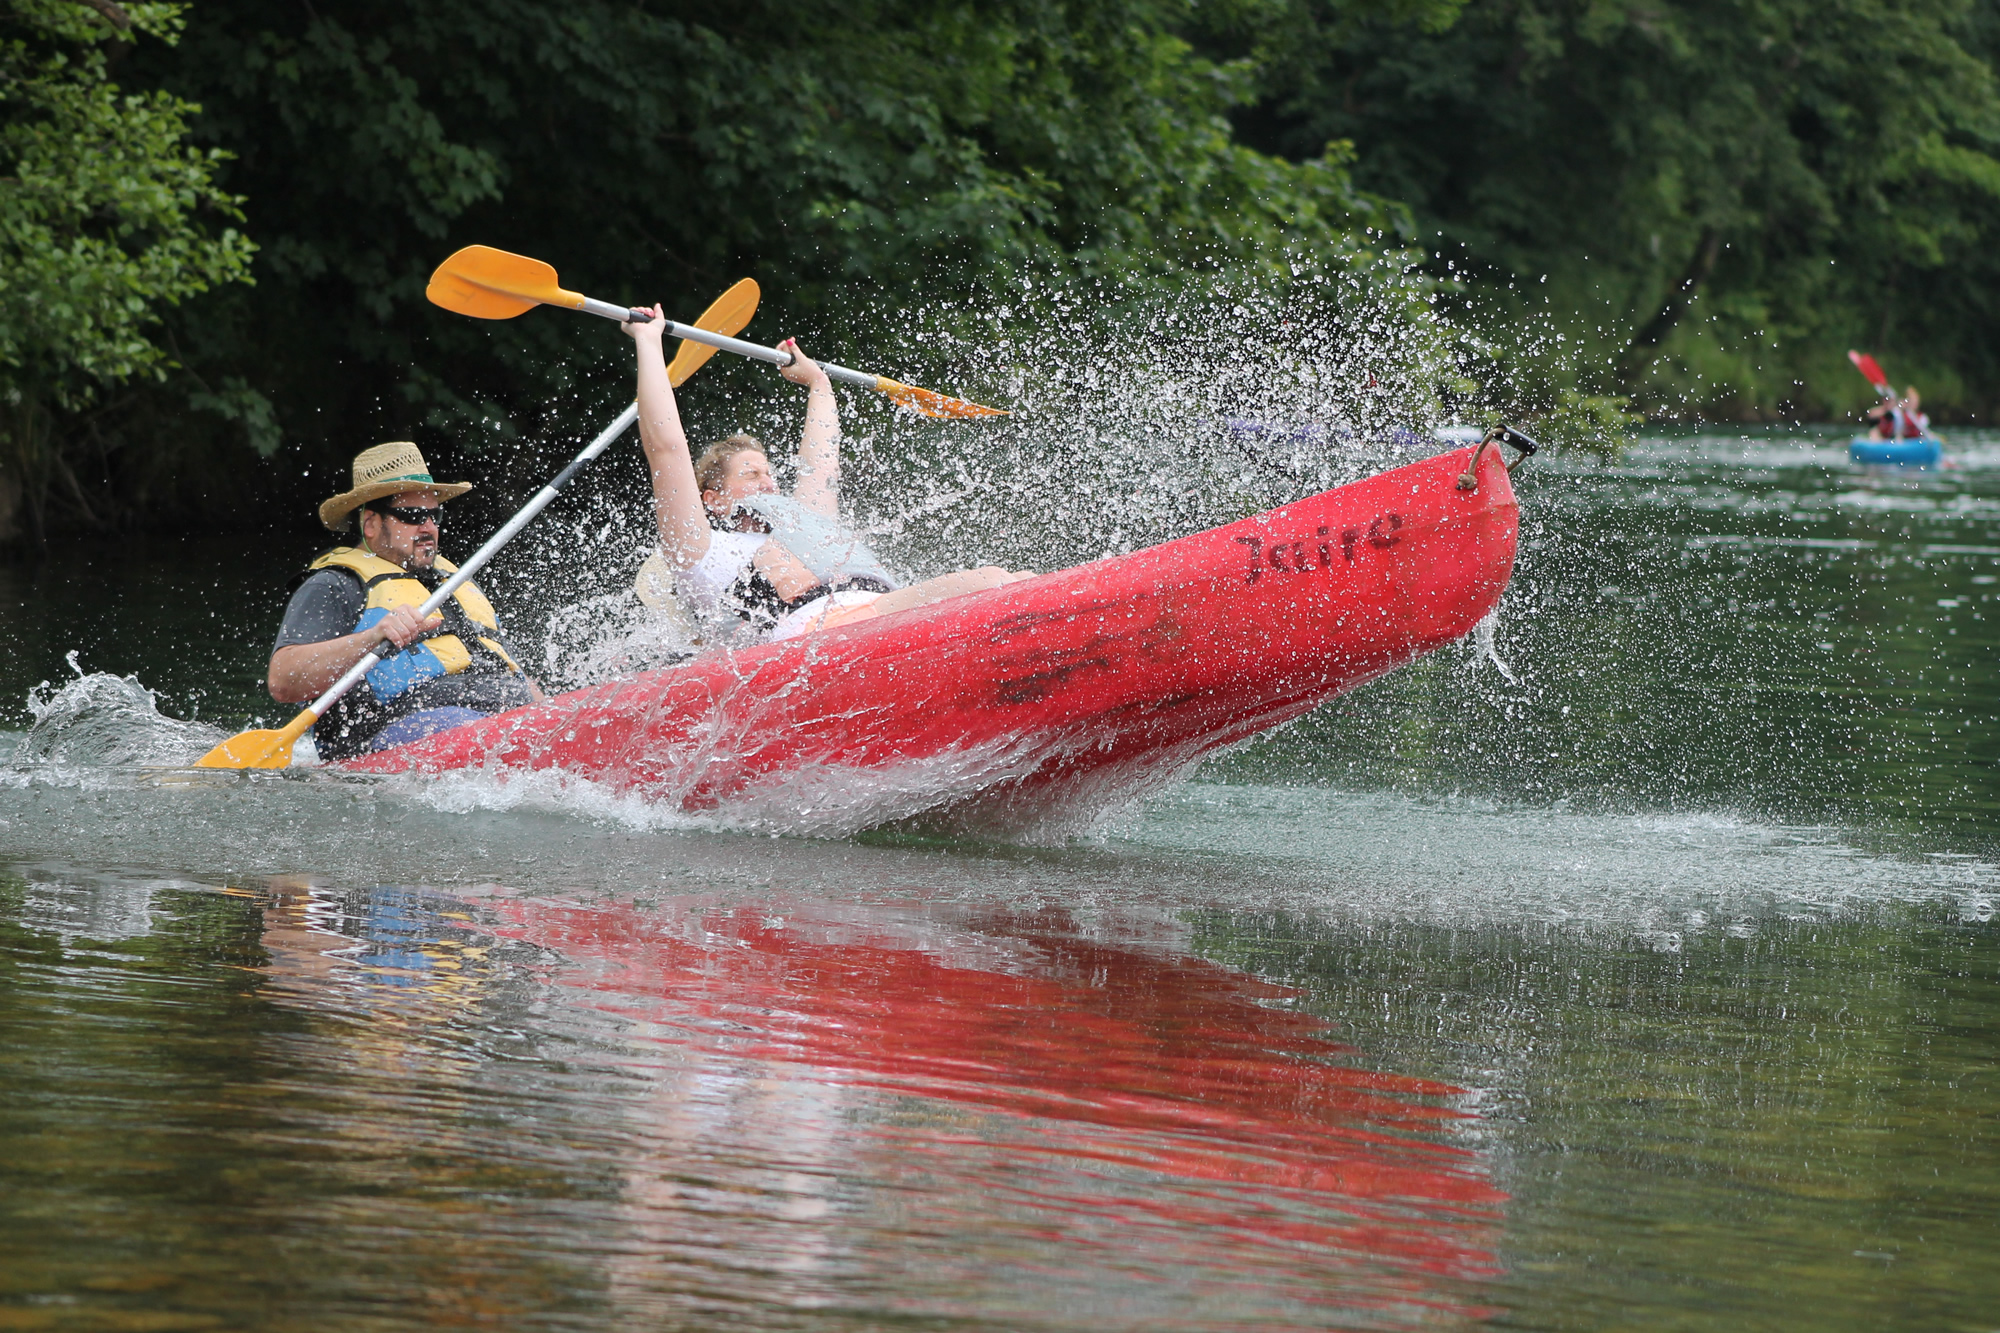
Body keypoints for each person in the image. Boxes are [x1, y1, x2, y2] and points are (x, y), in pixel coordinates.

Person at [623, 304, 1031, 643]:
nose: (768, 483)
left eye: (769, 473)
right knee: (995, 581)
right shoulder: (697, 548)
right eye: (750, 475)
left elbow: (821, 465)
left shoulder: (798, 528)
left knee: (1020, 579)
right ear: (712, 498)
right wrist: (649, 341)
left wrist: (819, 383)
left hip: (874, 621)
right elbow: (667, 451)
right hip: (818, 644)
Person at [268, 442, 543, 760]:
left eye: (434, 514)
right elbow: (283, 680)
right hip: (398, 734)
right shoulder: (334, 585)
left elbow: (502, 664)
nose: (428, 527)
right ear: (371, 524)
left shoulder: (452, 580)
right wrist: (373, 638)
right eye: (412, 515)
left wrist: (555, 713)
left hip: (496, 718)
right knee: (481, 731)